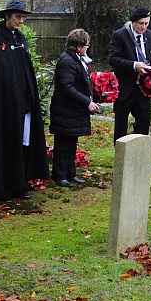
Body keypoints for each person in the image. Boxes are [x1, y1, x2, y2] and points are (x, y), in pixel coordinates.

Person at [0, 0, 50, 201]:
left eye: (23, 18)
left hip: (23, 105)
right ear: (7, 17)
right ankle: (0, 188)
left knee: (22, 143)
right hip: (4, 107)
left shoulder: (20, 40)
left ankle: (19, 184)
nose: (21, 21)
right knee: (5, 144)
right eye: (18, 17)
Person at [49, 28, 101, 188]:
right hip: (65, 110)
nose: (87, 48)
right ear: (78, 46)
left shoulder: (76, 59)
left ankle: (70, 173)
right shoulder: (67, 61)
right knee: (63, 143)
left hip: (72, 111)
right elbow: (66, 86)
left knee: (71, 142)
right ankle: (59, 175)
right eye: (86, 45)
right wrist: (87, 102)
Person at [108, 7, 151, 142]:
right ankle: (121, 159)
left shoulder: (149, 35)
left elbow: (150, 55)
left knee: (144, 123)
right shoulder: (120, 35)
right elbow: (113, 59)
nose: (143, 27)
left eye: (146, 23)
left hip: (143, 90)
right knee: (121, 125)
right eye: (140, 23)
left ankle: (141, 158)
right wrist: (133, 65)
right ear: (133, 22)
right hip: (125, 88)